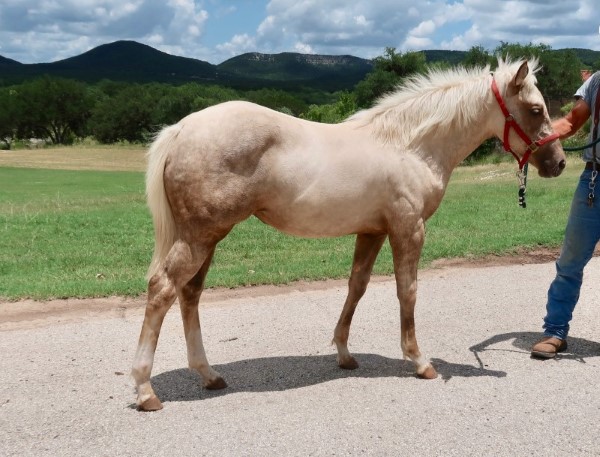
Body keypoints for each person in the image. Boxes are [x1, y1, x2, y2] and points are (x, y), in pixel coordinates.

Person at [531, 69, 600, 359]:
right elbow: (572, 120)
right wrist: (536, 139)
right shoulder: (597, 80)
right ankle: (555, 331)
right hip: (594, 181)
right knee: (570, 261)